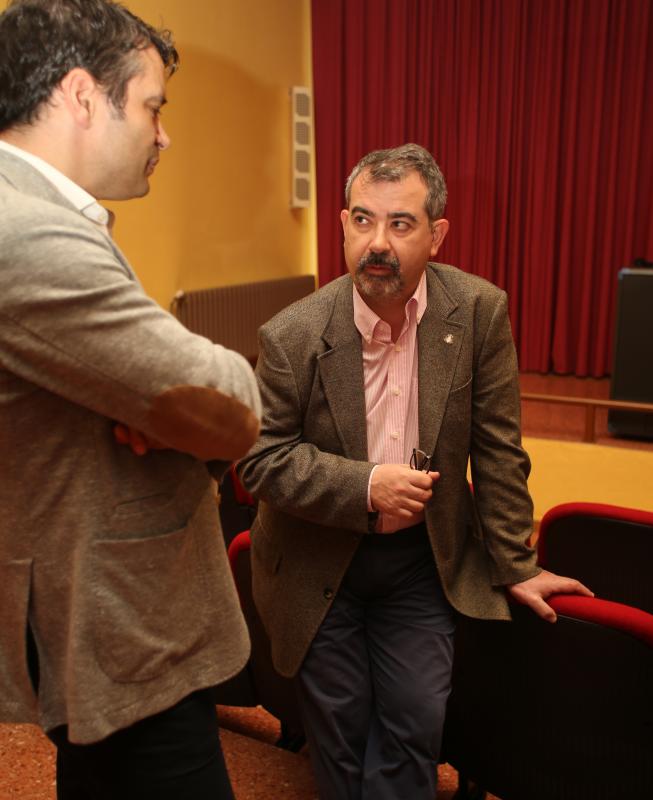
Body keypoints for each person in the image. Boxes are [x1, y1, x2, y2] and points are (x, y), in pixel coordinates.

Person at [238, 143, 592, 800]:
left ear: (436, 234)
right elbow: (260, 461)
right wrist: (365, 486)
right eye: (364, 220)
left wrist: (514, 562)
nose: (378, 242)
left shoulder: (477, 310)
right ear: (342, 223)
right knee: (338, 732)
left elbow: (496, 449)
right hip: (317, 562)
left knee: (415, 723)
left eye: (400, 224)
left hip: (421, 562)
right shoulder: (292, 334)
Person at [0, 1, 261, 797]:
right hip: (118, 618)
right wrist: (176, 410)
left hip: (89, 609)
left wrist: (158, 405)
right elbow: (231, 399)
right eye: (153, 105)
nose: (163, 133)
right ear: (82, 96)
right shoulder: (28, 232)